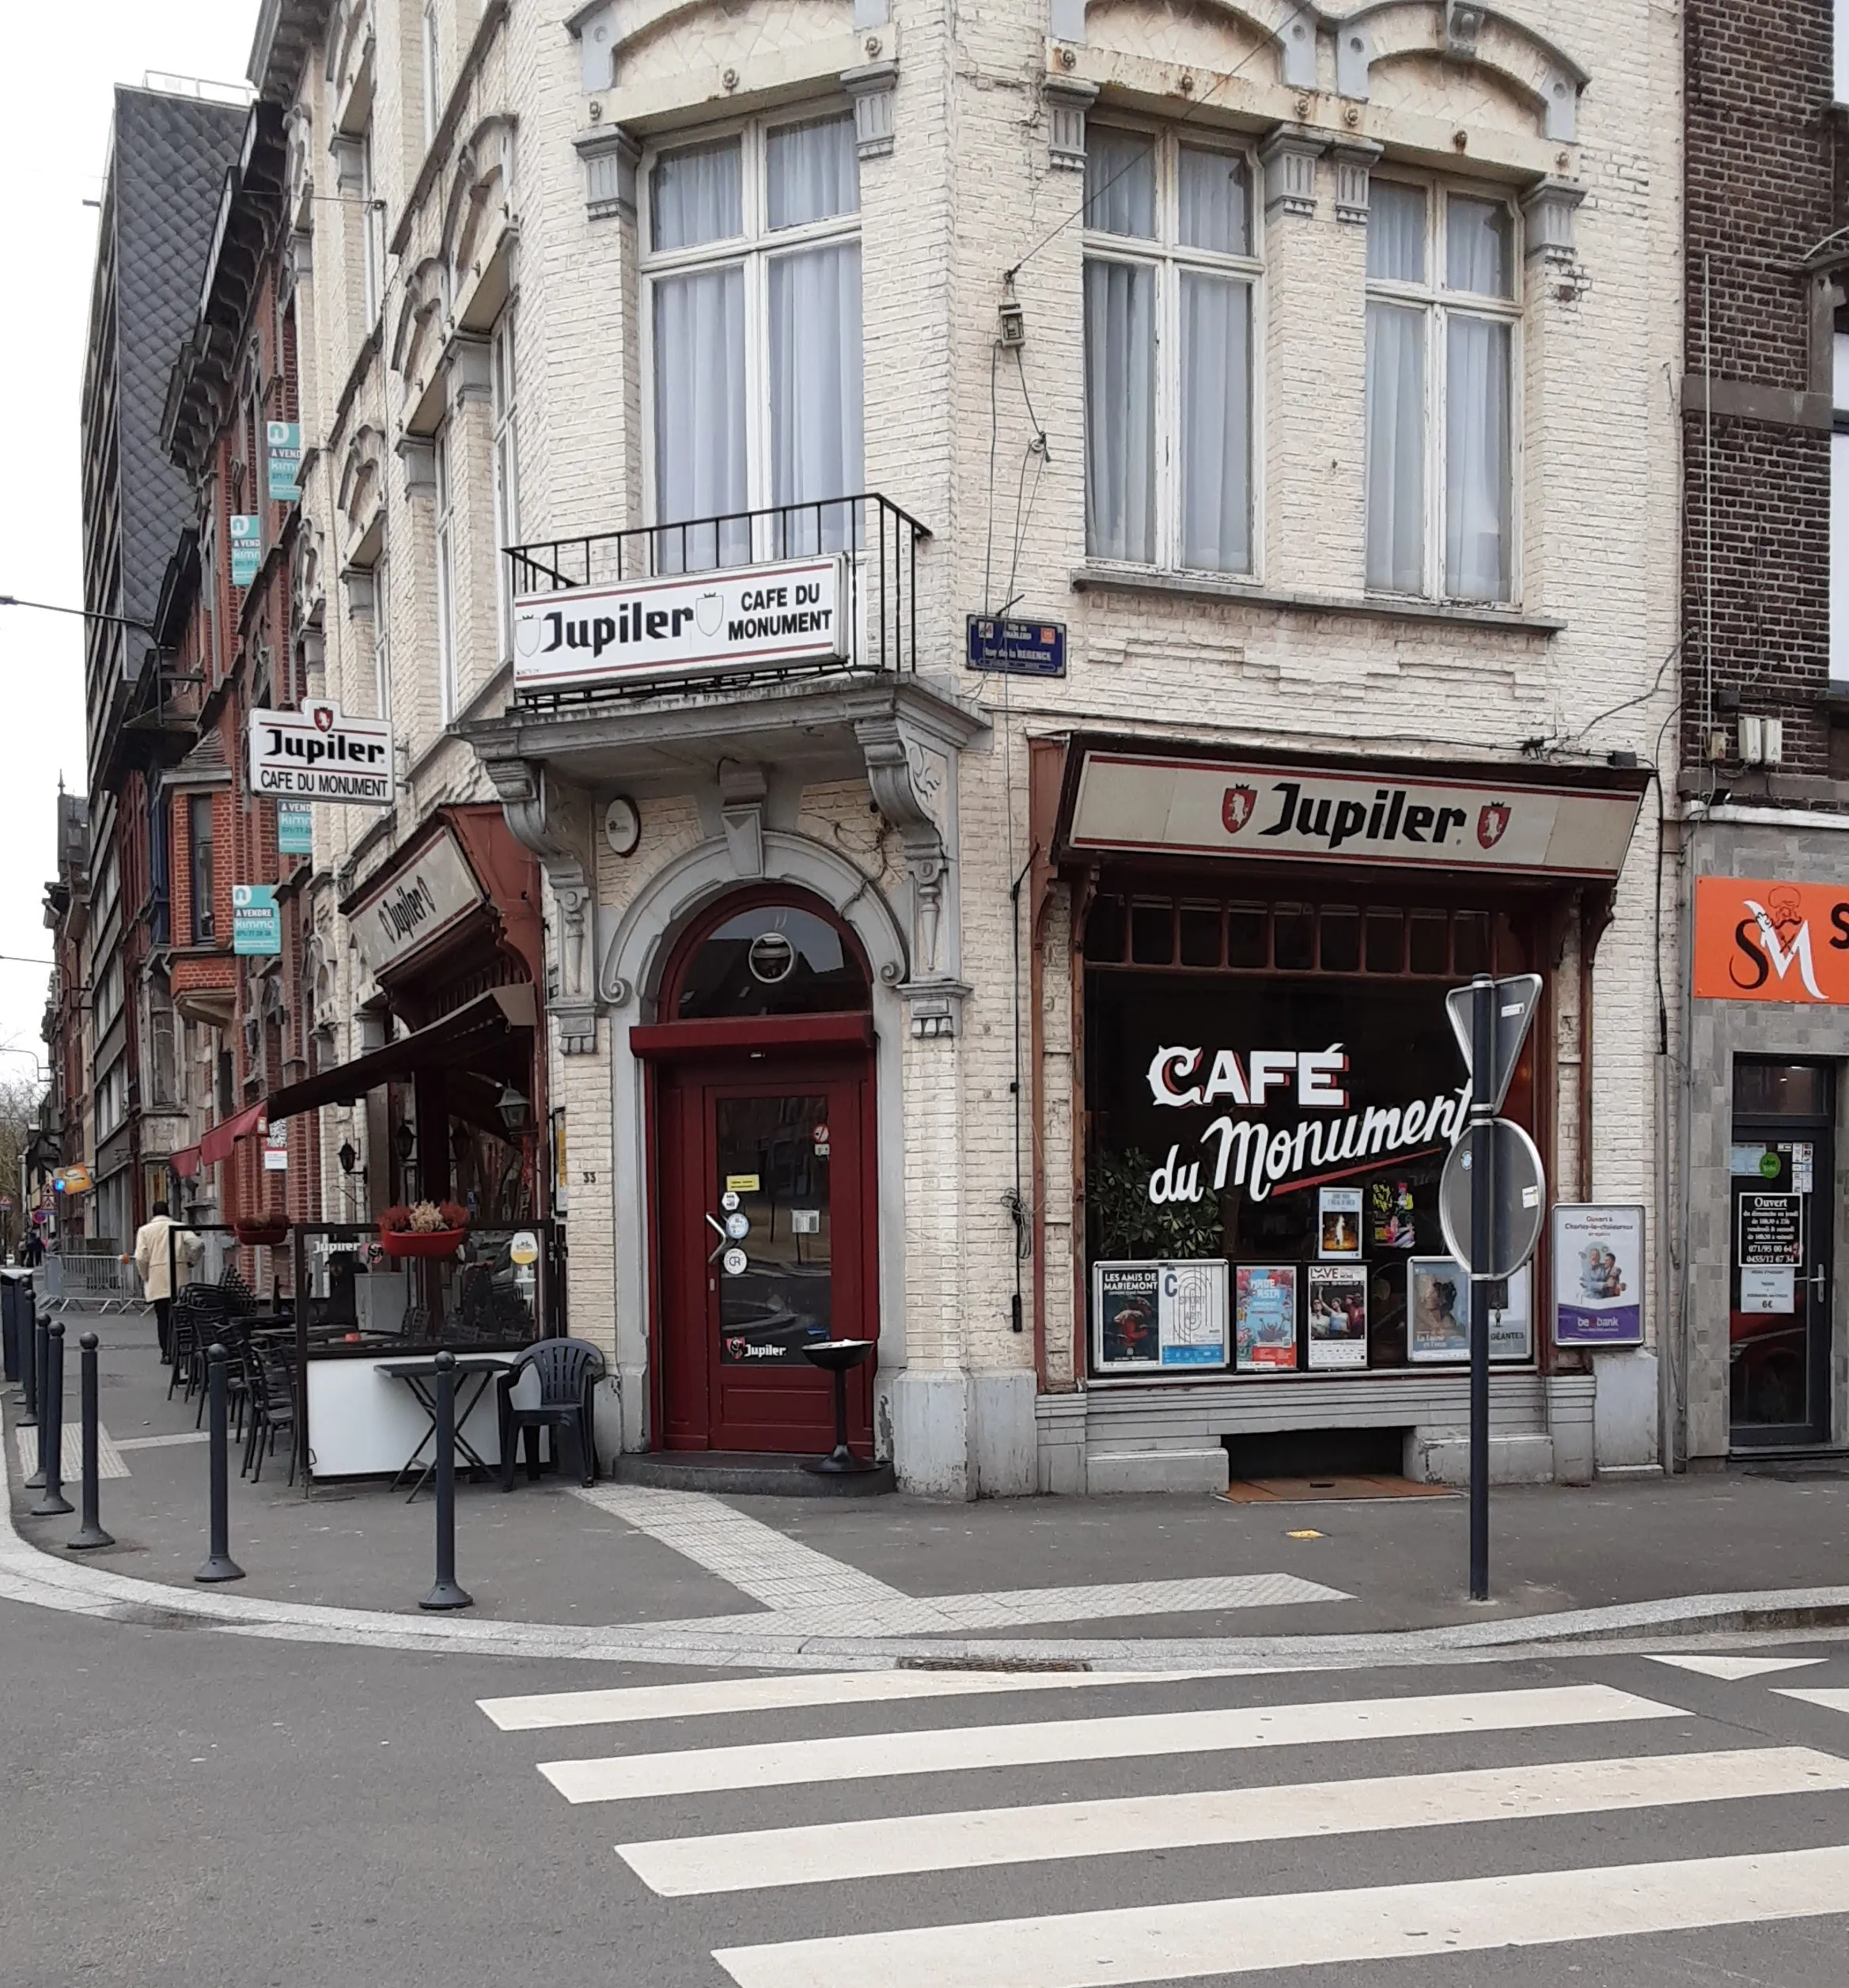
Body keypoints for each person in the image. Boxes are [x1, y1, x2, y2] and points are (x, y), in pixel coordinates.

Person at [126, 1201, 200, 1362]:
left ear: (153, 1213)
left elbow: (141, 1257)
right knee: (180, 1315)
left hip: (157, 1278)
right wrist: (191, 1260)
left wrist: (145, 1276)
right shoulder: (180, 1227)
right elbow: (197, 1243)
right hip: (179, 1278)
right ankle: (180, 1349)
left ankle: (166, 1352)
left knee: (162, 1317)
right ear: (168, 1212)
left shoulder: (145, 1231)